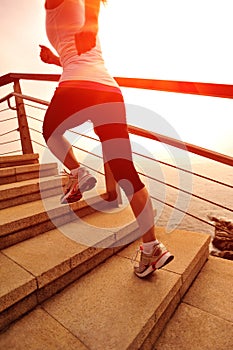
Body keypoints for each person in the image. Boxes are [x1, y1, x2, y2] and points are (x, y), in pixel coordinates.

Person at [40, 0, 174, 278]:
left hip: (78, 86)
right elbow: (73, 53)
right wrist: (54, 59)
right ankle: (152, 247)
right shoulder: (53, 11)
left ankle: (77, 172)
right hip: (106, 91)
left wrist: (91, 21)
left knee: (51, 130)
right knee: (125, 170)